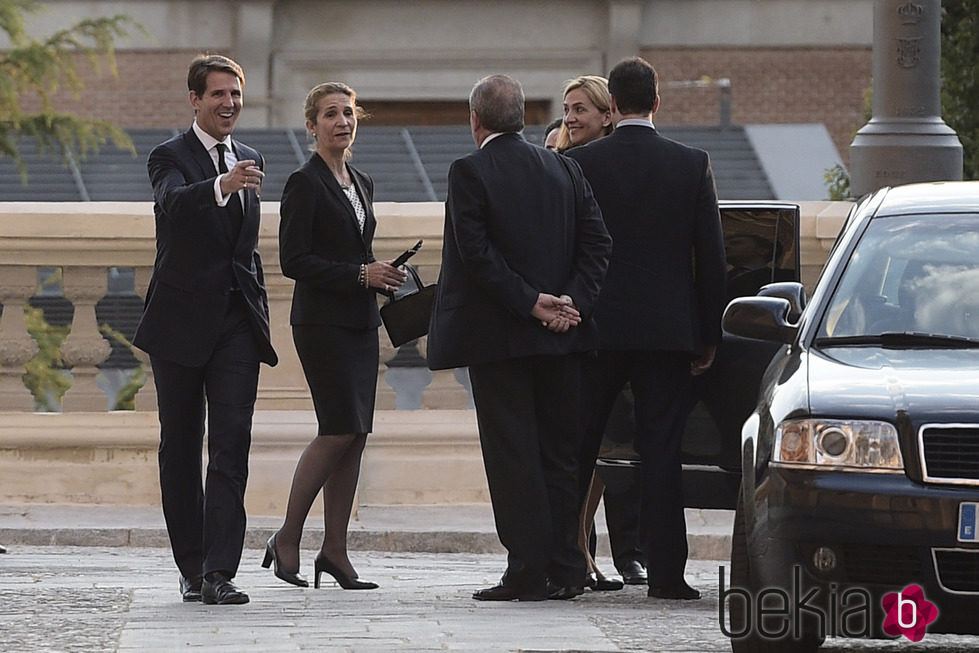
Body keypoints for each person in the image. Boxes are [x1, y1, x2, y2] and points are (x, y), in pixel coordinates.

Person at [427, 74, 611, 602]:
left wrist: (531, 303)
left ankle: (527, 570)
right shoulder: (565, 167)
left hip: (500, 341)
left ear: (475, 121)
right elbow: (598, 244)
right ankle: (567, 568)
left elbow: (476, 254)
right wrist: (569, 303)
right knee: (561, 456)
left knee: (513, 458)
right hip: (563, 340)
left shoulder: (469, 170)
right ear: (525, 118)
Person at [565, 57, 727, 601]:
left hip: (597, 328)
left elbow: (569, 248)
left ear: (611, 107)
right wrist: (708, 336)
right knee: (663, 452)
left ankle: (563, 564)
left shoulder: (582, 163)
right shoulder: (691, 163)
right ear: (657, 102)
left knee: (579, 448)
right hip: (666, 333)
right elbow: (711, 258)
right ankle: (666, 575)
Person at [134, 53, 278, 605]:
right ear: (196, 100)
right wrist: (221, 182)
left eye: (235, 94)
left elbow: (245, 246)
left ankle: (221, 571)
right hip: (178, 326)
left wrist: (257, 304)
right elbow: (173, 204)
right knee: (180, 446)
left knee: (231, 446)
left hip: (236, 326)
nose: (229, 104)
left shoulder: (251, 155)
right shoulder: (168, 156)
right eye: (218, 94)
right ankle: (191, 567)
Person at [266, 82, 405, 592]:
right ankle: (287, 537)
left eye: (348, 113)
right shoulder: (304, 183)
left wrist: (382, 273)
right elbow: (293, 261)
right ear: (311, 126)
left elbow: (355, 249)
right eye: (330, 114)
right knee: (337, 429)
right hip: (322, 324)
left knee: (357, 435)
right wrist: (358, 275)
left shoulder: (361, 180)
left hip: (361, 322)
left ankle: (336, 552)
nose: (342, 121)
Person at [559, 74, 644, 592]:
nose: (570, 118)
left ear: (609, 112)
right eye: (566, 110)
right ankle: (577, 550)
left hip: (606, 325)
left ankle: (584, 549)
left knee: (601, 454)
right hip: (578, 326)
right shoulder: (565, 164)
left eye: (580, 109)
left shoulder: (596, 166)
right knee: (580, 451)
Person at [556, 75, 612, 152]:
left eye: (579, 109)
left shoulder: (624, 159)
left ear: (607, 117)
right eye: (566, 110)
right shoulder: (557, 161)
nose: (568, 119)